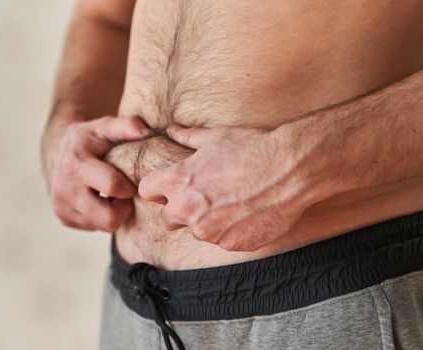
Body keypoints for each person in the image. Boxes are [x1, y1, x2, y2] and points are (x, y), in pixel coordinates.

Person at [41, 1, 423, 349]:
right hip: (136, 302)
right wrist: (66, 123)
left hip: (332, 296)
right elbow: (105, 18)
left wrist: (291, 166)